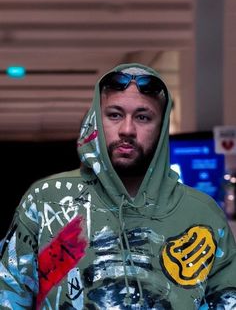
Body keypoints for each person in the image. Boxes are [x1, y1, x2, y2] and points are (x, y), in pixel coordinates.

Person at [0, 62, 236, 310]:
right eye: (115, 115)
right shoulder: (47, 201)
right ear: (96, 121)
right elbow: (8, 297)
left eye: (143, 117)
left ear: (161, 127)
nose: (127, 129)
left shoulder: (201, 214)